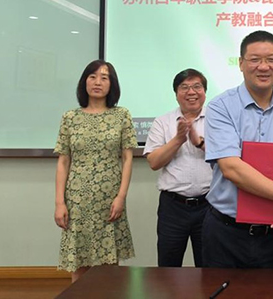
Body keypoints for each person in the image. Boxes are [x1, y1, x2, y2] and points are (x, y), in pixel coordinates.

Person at [202, 30, 273, 269]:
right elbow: (231, 168)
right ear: (241, 63)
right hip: (226, 234)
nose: (264, 67)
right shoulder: (221, 107)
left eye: (271, 59)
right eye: (255, 59)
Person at [54, 60, 137, 282]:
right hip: (77, 200)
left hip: (109, 199)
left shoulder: (122, 115)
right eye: (92, 77)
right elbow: (63, 161)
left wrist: (121, 197)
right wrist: (60, 202)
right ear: (85, 82)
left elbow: (128, 158)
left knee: (109, 264)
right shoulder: (70, 117)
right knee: (79, 263)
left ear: (112, 84)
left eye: (104, 77)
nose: (97, 82)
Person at [144, 68, 212, 267]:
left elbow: (227, 156)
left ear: (204, 92)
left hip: (209, 205)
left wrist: (199, 142)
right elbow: (154, 162)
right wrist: (179, 139)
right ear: (176, 94)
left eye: (197, 86)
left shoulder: (217, 119)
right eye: (185, 87)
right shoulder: (163, 122)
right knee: (168, 267)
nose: (191, 92)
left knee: (209, 267)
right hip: (173, 207)